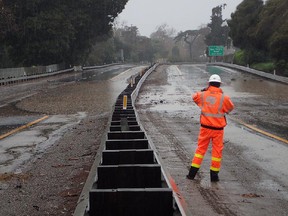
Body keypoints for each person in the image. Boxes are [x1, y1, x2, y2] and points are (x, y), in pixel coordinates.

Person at [187, 74, 234, 182]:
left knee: (200, 150)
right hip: (218, 130)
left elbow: (194, 97)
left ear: (209, 84)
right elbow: (230, 108)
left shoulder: (202, 95)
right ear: (219, 85)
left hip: (205, 128)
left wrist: (204, 91)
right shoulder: (224, 97)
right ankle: (214, 177)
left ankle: (191, 174)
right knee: (217, 152)